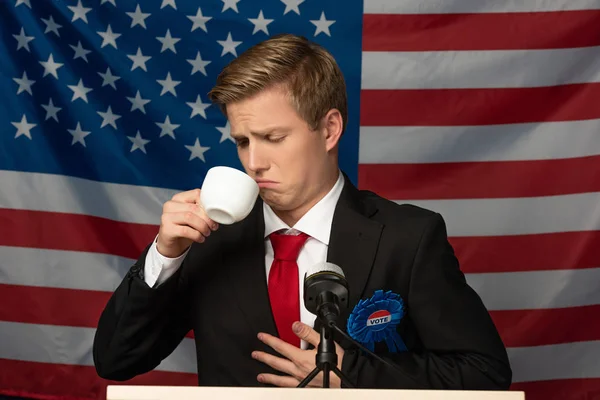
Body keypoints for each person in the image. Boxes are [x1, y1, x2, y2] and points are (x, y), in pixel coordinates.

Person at [93, 33, 512, 390]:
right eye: (242, 141)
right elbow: (115, 360)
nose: (253, 162)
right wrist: (165, 255)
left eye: (273, 137)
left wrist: (354, 377)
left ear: (329, 129)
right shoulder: (206, 238)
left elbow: (485, 373)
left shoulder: (408, 237)